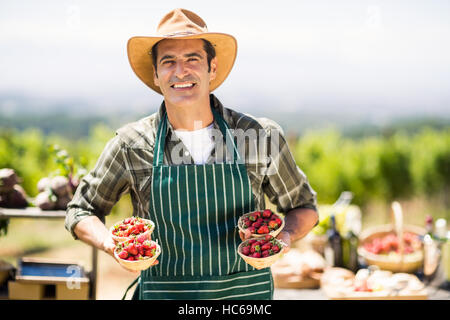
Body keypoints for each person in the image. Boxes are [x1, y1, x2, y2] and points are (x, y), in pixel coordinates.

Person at [65, 8, 319, 300]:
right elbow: (81, 210)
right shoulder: (131, 144)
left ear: (212, 68)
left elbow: (305, 207)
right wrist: (114, 244)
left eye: (192, 59)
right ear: (156, 75)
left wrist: (284, 237)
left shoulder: (260, 136)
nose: (180, 71)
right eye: (168, 61)